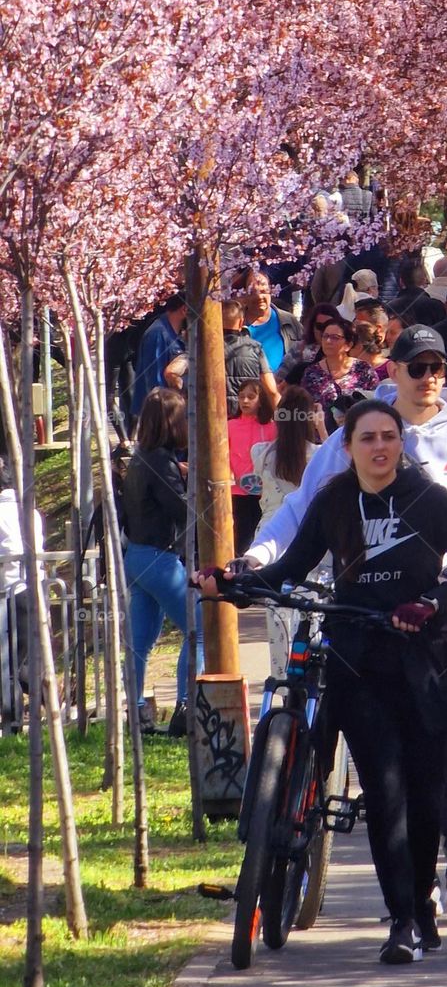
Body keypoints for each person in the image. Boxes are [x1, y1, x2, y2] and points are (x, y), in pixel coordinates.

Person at [241, 324, 447, 910]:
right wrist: (255, 559)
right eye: (417, 366)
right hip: (364, 615)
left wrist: (444, 589)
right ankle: (372, 874)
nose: (430, 377)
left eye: (438, 366)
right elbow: (302, 514)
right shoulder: (350, 435)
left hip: (441, 610)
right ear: (393, 371)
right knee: (385, 758)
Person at [217, 399, 447, 964]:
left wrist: (433, 602)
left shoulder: (430, 498)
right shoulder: (334, 501)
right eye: (367, 438)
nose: (379, 446)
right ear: (348, 447)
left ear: (400, 443)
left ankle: (419, 904)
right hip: (357, 661)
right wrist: (231, 581)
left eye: (388, 436)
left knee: (422, 797)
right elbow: (289, 567)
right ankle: (401, 922)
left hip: (424, 663)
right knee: (385, 793)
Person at [123, 387, 202, 736]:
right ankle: (186, 707)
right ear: (172, 422)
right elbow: (183, 510)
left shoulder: (142, 457)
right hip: (159, 558)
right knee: (198, 627)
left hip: (136, 557)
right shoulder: (161, 462)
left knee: (140, 642)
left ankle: (136, 710)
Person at [251, 386, 320, 680]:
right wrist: (322, 428)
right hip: (307, 540)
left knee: (277, 620)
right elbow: (343, 463)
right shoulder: (317, 455)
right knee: (310, 615)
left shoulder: (260, 453)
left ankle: (280, 680)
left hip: (268, 538)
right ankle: (309, 680)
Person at [0, 457, 44, 691]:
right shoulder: (31, 512)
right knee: (21, 660)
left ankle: (13, 721)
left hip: (9, 593)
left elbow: (8, 550)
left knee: (11, 664)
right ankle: (49, 703)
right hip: (34, 588)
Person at [301, 317, 380, 436]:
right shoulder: (311, 373)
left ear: (348, 345)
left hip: (359, 436)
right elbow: (305, 408)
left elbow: (377, 403)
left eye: (335, 337)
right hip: (323, 440)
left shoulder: (363, 370)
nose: (328, 341)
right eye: (325, 336)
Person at [229, 380, 278, 556]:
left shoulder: (273, 427)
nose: (245, 401)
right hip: (238, 492)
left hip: (265, 493)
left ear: (261, 399)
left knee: (261, 535)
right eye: (241, 397)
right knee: (240, 537)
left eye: (251, 397)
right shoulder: (230, 426)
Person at [231, 266, 302, 374]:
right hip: (248, 388)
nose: (260, 297)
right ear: (244, 294)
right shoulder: (235, 324)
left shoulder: (289, 321)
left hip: (282, 388)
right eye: (253, 292)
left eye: (264, 291)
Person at [130, 294, 186, 419]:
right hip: (161, 413)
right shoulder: (158, 334)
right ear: (184, 310)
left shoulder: (177, 333)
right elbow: (155, 379)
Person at [220, 299, 279, 417]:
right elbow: (271, 390)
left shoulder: (208, 349)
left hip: (217, 419)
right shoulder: (255, 348)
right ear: (241, 322)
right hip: (248, 417)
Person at [274, 302, 340, 385]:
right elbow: (279, 378)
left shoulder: (343, 350)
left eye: (329, 325)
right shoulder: (299, 348)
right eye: (320, 326)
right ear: (312, 327)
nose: (324, 331)